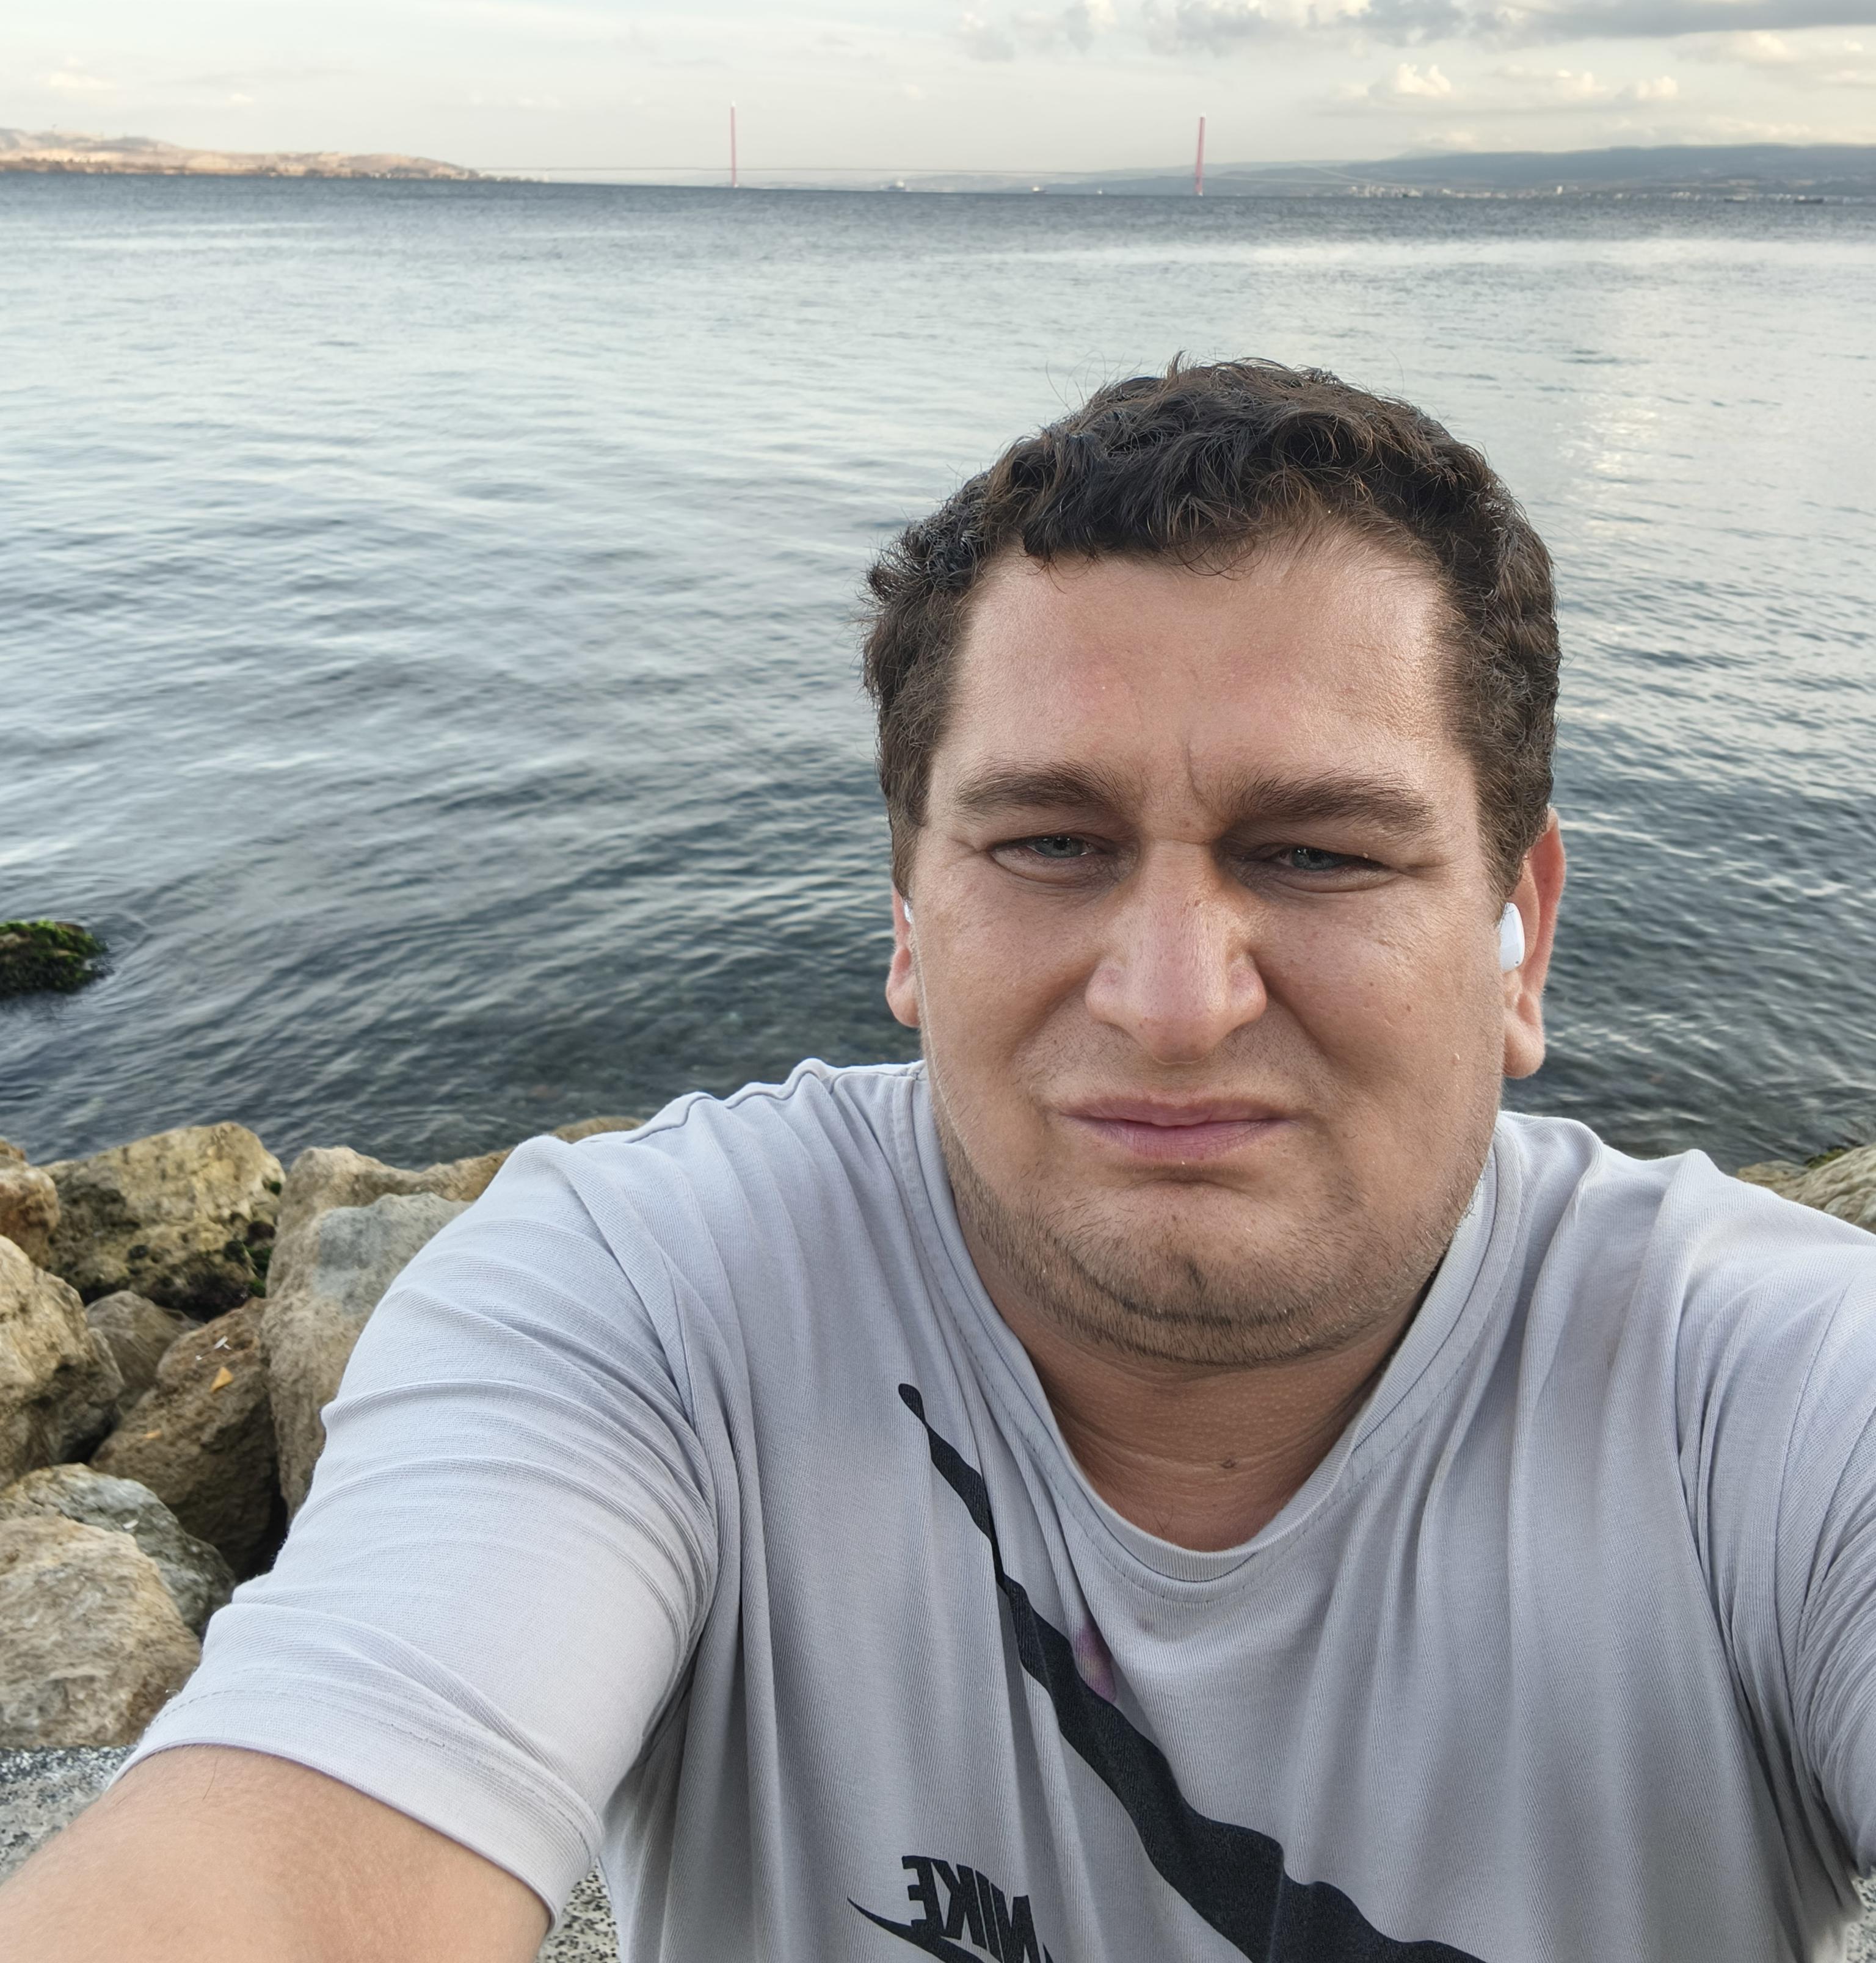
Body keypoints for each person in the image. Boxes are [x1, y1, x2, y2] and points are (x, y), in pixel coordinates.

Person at [7, 357, 1875, 1963]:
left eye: (1319, 852)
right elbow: (293, 1853)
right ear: (908, 916)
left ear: (1520, 937)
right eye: (1051, 844)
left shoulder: (1771, 1390)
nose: (1173, 1002)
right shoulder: (653, 1308)